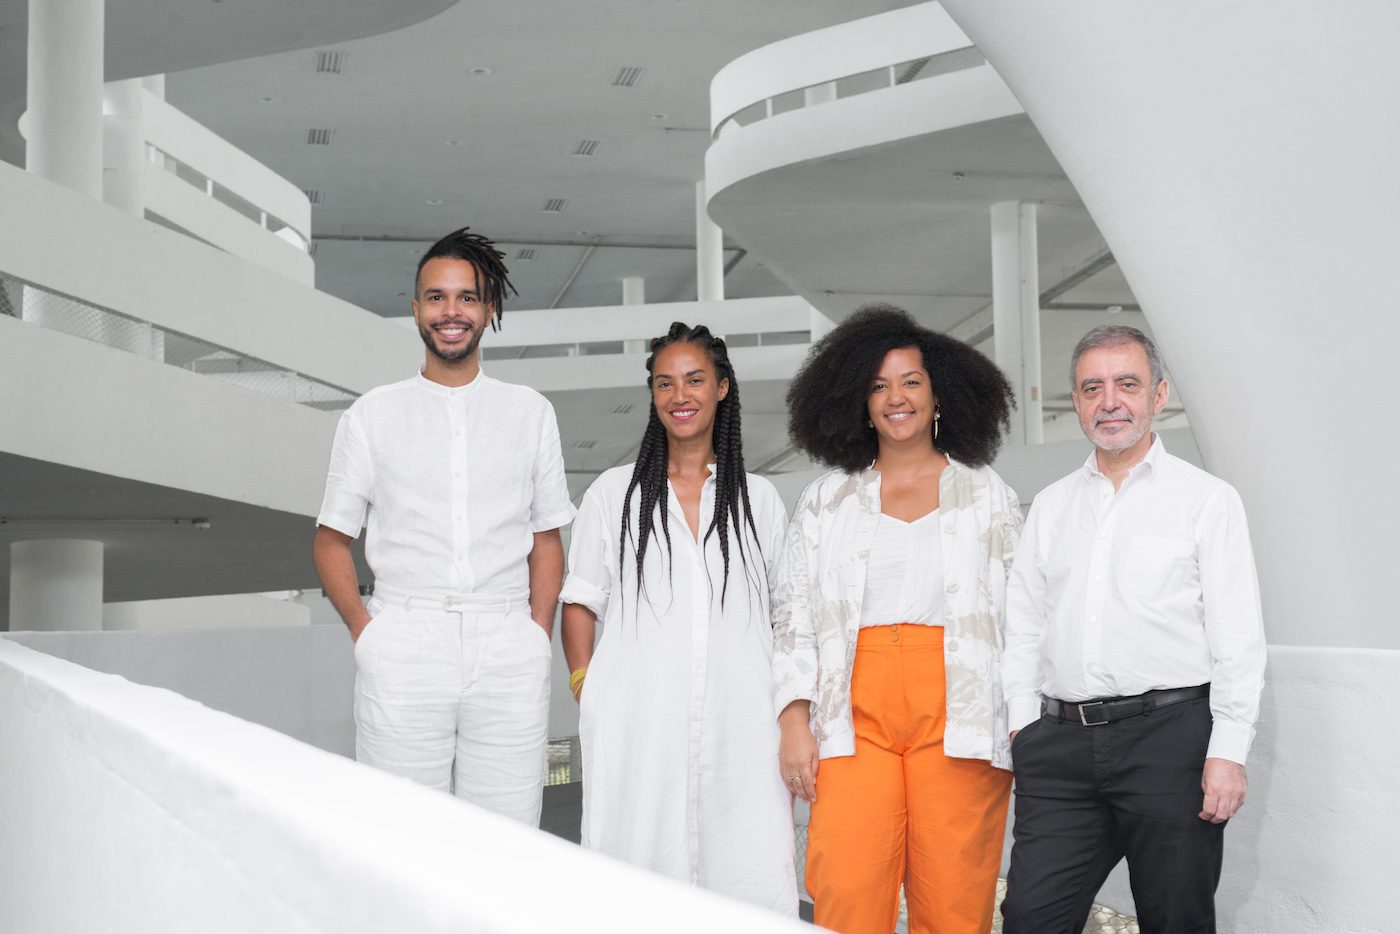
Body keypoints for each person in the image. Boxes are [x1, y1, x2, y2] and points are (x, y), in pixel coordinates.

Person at [1000, 324, 1266, 934]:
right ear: (1076, 400)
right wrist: (1023, 724)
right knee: (1030, 918)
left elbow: (1237, 637)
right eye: (1092, 388)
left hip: (1170, 742)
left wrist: (1227, 752)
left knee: (1175, 919)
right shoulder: (1050, 506)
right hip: (1060, 747)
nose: (1110, 401)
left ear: (1158, 394)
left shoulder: (1207, 501)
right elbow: (1025, 625)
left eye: (1127, 383)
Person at [772, 304, 1021, 934]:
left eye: (911, 381)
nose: (895, 397)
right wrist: (795, 721)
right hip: (853, 717)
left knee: (956, 899)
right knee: (847, 890)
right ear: (858, 401)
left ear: (939, 394)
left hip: (959, 714)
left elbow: (1023, 615)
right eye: (878, 386)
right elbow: (793, 616)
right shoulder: (827, 501)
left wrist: (1022, 719)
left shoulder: (986, 493)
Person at [312, 227, 574, 825]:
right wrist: (367, 632)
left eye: (465, 297)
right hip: (405, 637)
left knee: (508, 836)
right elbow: (331, 541)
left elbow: (546, 540)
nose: (450, 312)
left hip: (509, 641)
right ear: (415, 310)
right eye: (436, 297)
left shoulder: (530, 412)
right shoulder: (372, 415)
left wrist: (536, 634)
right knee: (401, 833)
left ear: (489, 309)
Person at [560, 322, 797, 914]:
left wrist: (794, 713)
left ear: (722, 388)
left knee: (747, 872)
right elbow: (580, 600)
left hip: (741, 727)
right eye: (664, 383)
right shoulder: (614, 495)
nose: (679, 395)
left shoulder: (759, 500)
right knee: (635, 880)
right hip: (639, 726)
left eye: (694, 380)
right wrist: (587, 687)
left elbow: (786, 615)